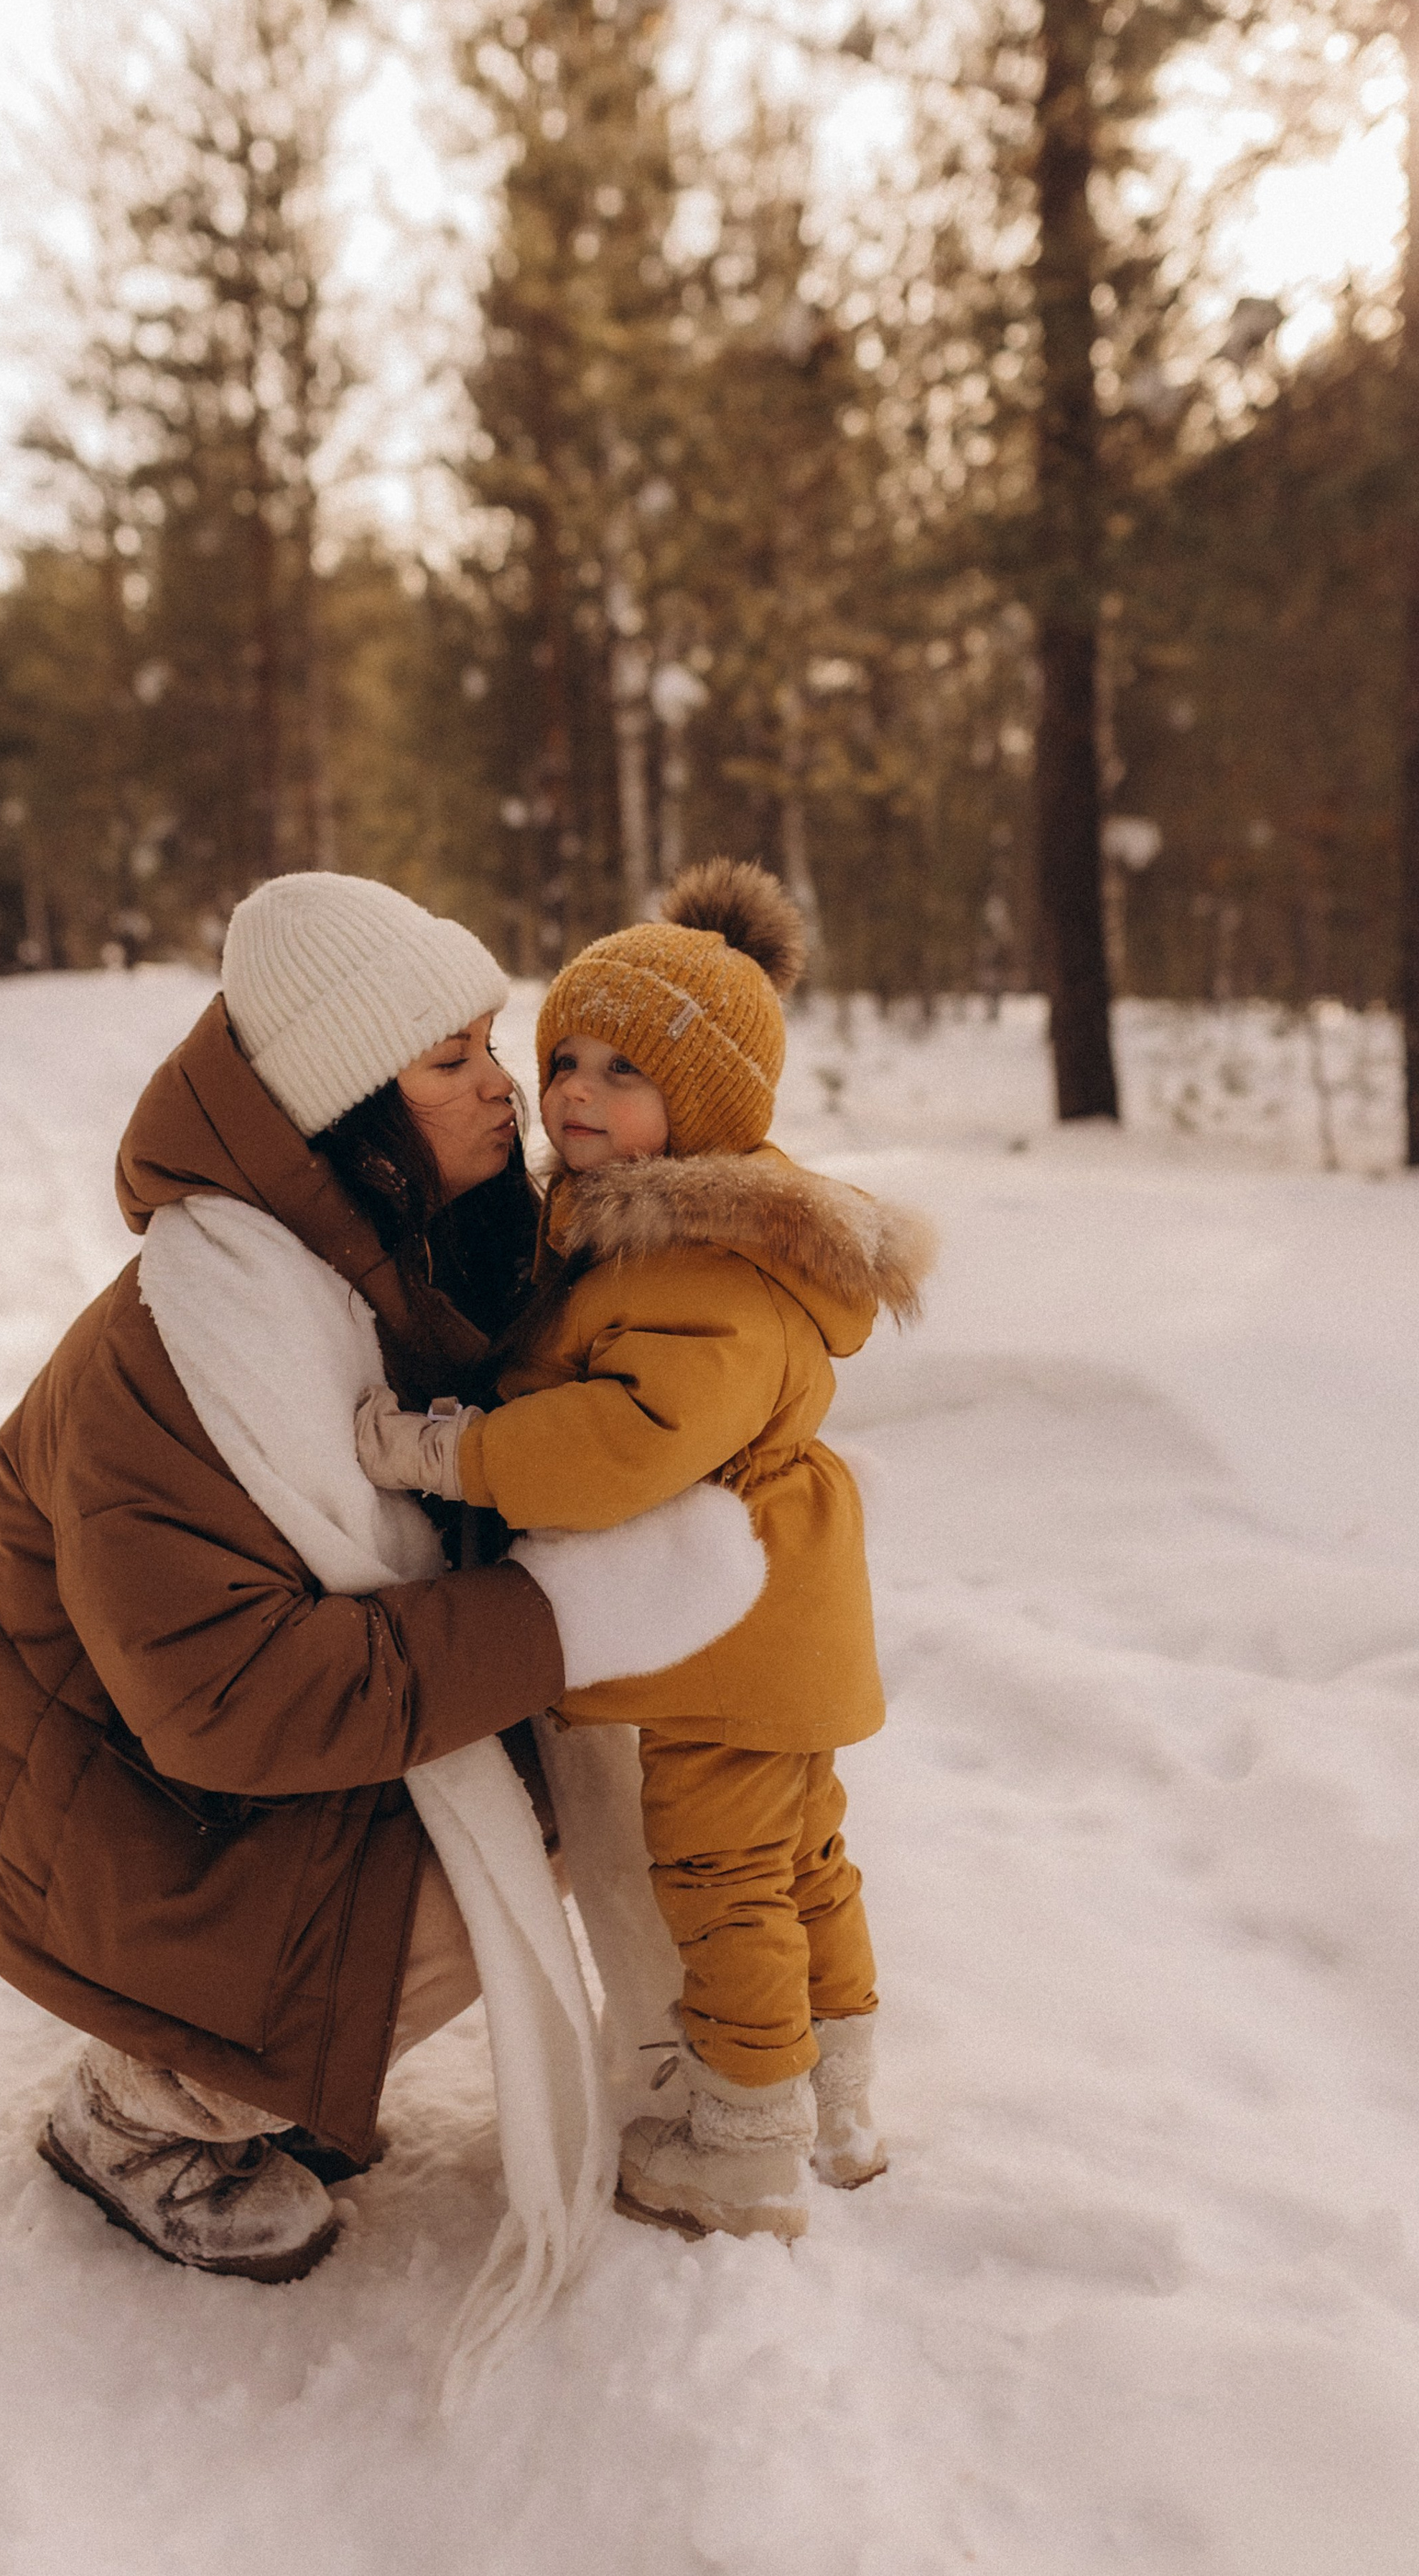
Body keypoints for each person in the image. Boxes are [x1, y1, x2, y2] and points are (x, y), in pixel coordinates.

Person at [0, 872, 573, 2286]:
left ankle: (264, 2051)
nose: (500, 1091)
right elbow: (230, 1702)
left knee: (527, 1779)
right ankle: (145, 2112)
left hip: (165, 1781)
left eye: (490, 1045)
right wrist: (559, 1624)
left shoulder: (371, 1255)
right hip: (102, 1815)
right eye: (450, 1062)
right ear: (348, 1111)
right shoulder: (199, 1340)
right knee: (493, 1832)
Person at [358, 859, 935, 2242]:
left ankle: (744, 2137)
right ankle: (838, 2092)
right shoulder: (672, 1230)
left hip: (723, 1642)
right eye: (563, 1057)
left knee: (725, 1876)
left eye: (623, 1070)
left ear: (710, 1106)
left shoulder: (705, 1268)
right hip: (771, 1622)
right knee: (802, 1859)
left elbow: (627, 1441)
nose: (571, 1094)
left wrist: (449, 1452)